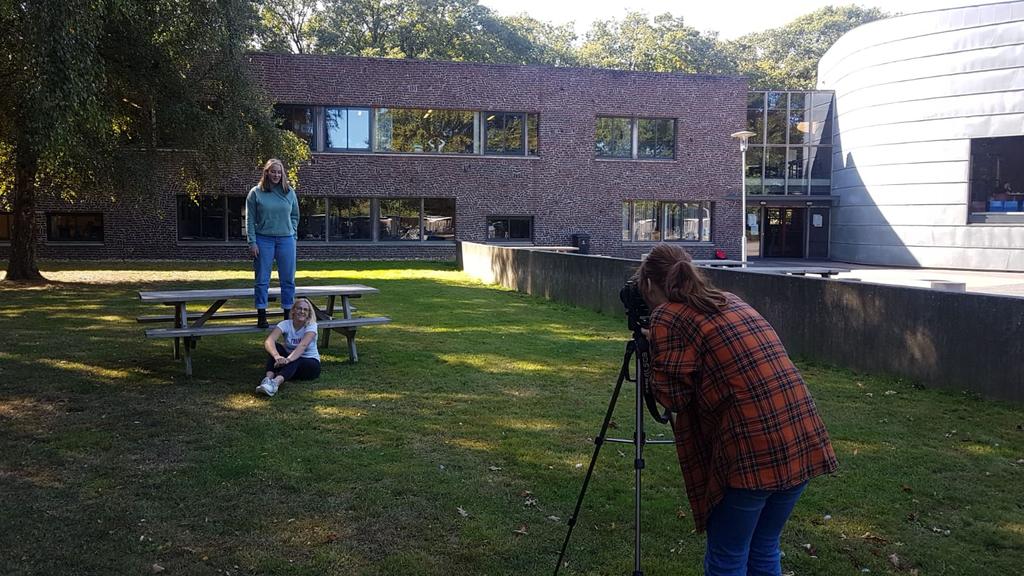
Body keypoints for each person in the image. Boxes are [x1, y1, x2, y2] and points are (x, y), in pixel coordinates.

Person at [636, 244, 837, 576]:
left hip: (751, 455)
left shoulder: (667, 315)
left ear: (647, 284)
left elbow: (673, 399)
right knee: (764, 545)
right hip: (802, 440)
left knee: (727, 555)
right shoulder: (728, 299)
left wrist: (653, 354)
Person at [247, 158, 299, 328]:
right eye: (273, 171)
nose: (276, 175)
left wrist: (293, 234)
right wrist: (252, 242)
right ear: (267, 173)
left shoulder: (289, 192)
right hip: (263, 240)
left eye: (279, 172)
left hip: (286, 239)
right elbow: (250, 219)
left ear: (282, 174)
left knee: (288, 279)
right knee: (262, 279)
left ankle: (287, 316)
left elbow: (295, 215)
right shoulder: (256, 193)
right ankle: (261, 315)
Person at [257, 297, 320, 397]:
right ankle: (267, 380)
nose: (302, 311)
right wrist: (277, 356)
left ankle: (275, 384)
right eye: (299, 308)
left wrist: (288, 360)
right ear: (293, 310)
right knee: (276, 347)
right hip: (289, 362)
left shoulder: (311, 326)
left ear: (309, 313)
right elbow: (269, 341)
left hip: (310, 364)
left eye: (305, 310)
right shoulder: (285, 324)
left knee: (297, 358)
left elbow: (302, 346)